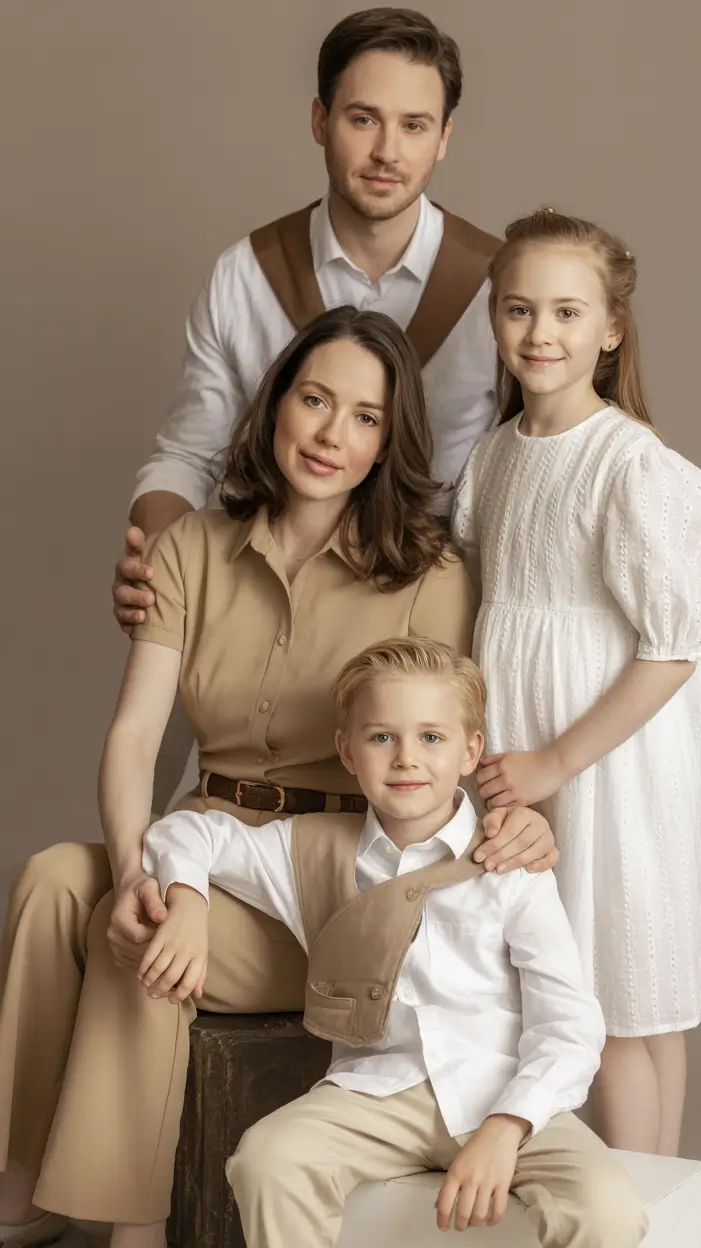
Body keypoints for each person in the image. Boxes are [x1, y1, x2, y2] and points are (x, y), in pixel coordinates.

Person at [0, 308, 557, 1248]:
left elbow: (455, 737)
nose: (334, 435)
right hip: (209, 834)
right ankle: (31, 1177)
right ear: (275, 408)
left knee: (142, 946)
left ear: (389, 444)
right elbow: (135, 737)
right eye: (315, 400)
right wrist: (147, 875)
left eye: (367, 418)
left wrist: (524, 817)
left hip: (338, 878)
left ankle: (130, 1224)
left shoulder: (429, 573)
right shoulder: (194, 549)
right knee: (61, 878)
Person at [139, 637, 648, 1248]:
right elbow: (186, 832)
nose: (407, 758)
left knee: (607, 1210)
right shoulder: (310, 851)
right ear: (346, 752)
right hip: (376, 1094)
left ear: (470, 750)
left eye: (432, 737)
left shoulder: (510, 861)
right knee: (267, 1160)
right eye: (382, 737)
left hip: (506, 1094)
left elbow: (568, 1024)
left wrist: (506, 1127)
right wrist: (188, 904)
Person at [452, 207, 701, 1158]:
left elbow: (673, 645)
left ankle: (645, 1213)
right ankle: (649, 1214)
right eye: (519, 310)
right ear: (494, 320)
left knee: (622, 1002)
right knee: (592, 1002)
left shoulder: (626, 465)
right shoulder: (492, 458)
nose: (541, 334)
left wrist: (555, 762)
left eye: (568, 313)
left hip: (607, 758)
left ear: (611, 329)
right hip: (529, 745)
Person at [113, 6, 501, 635]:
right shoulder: (246, 276)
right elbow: (189, 452)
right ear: (320, 121)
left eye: (414, 125)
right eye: (363, 118)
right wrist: (152, 545)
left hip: (443, 619)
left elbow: (564, 438)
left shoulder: (499, 289)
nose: (387, 152)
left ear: (444, 138)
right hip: (272, 599)